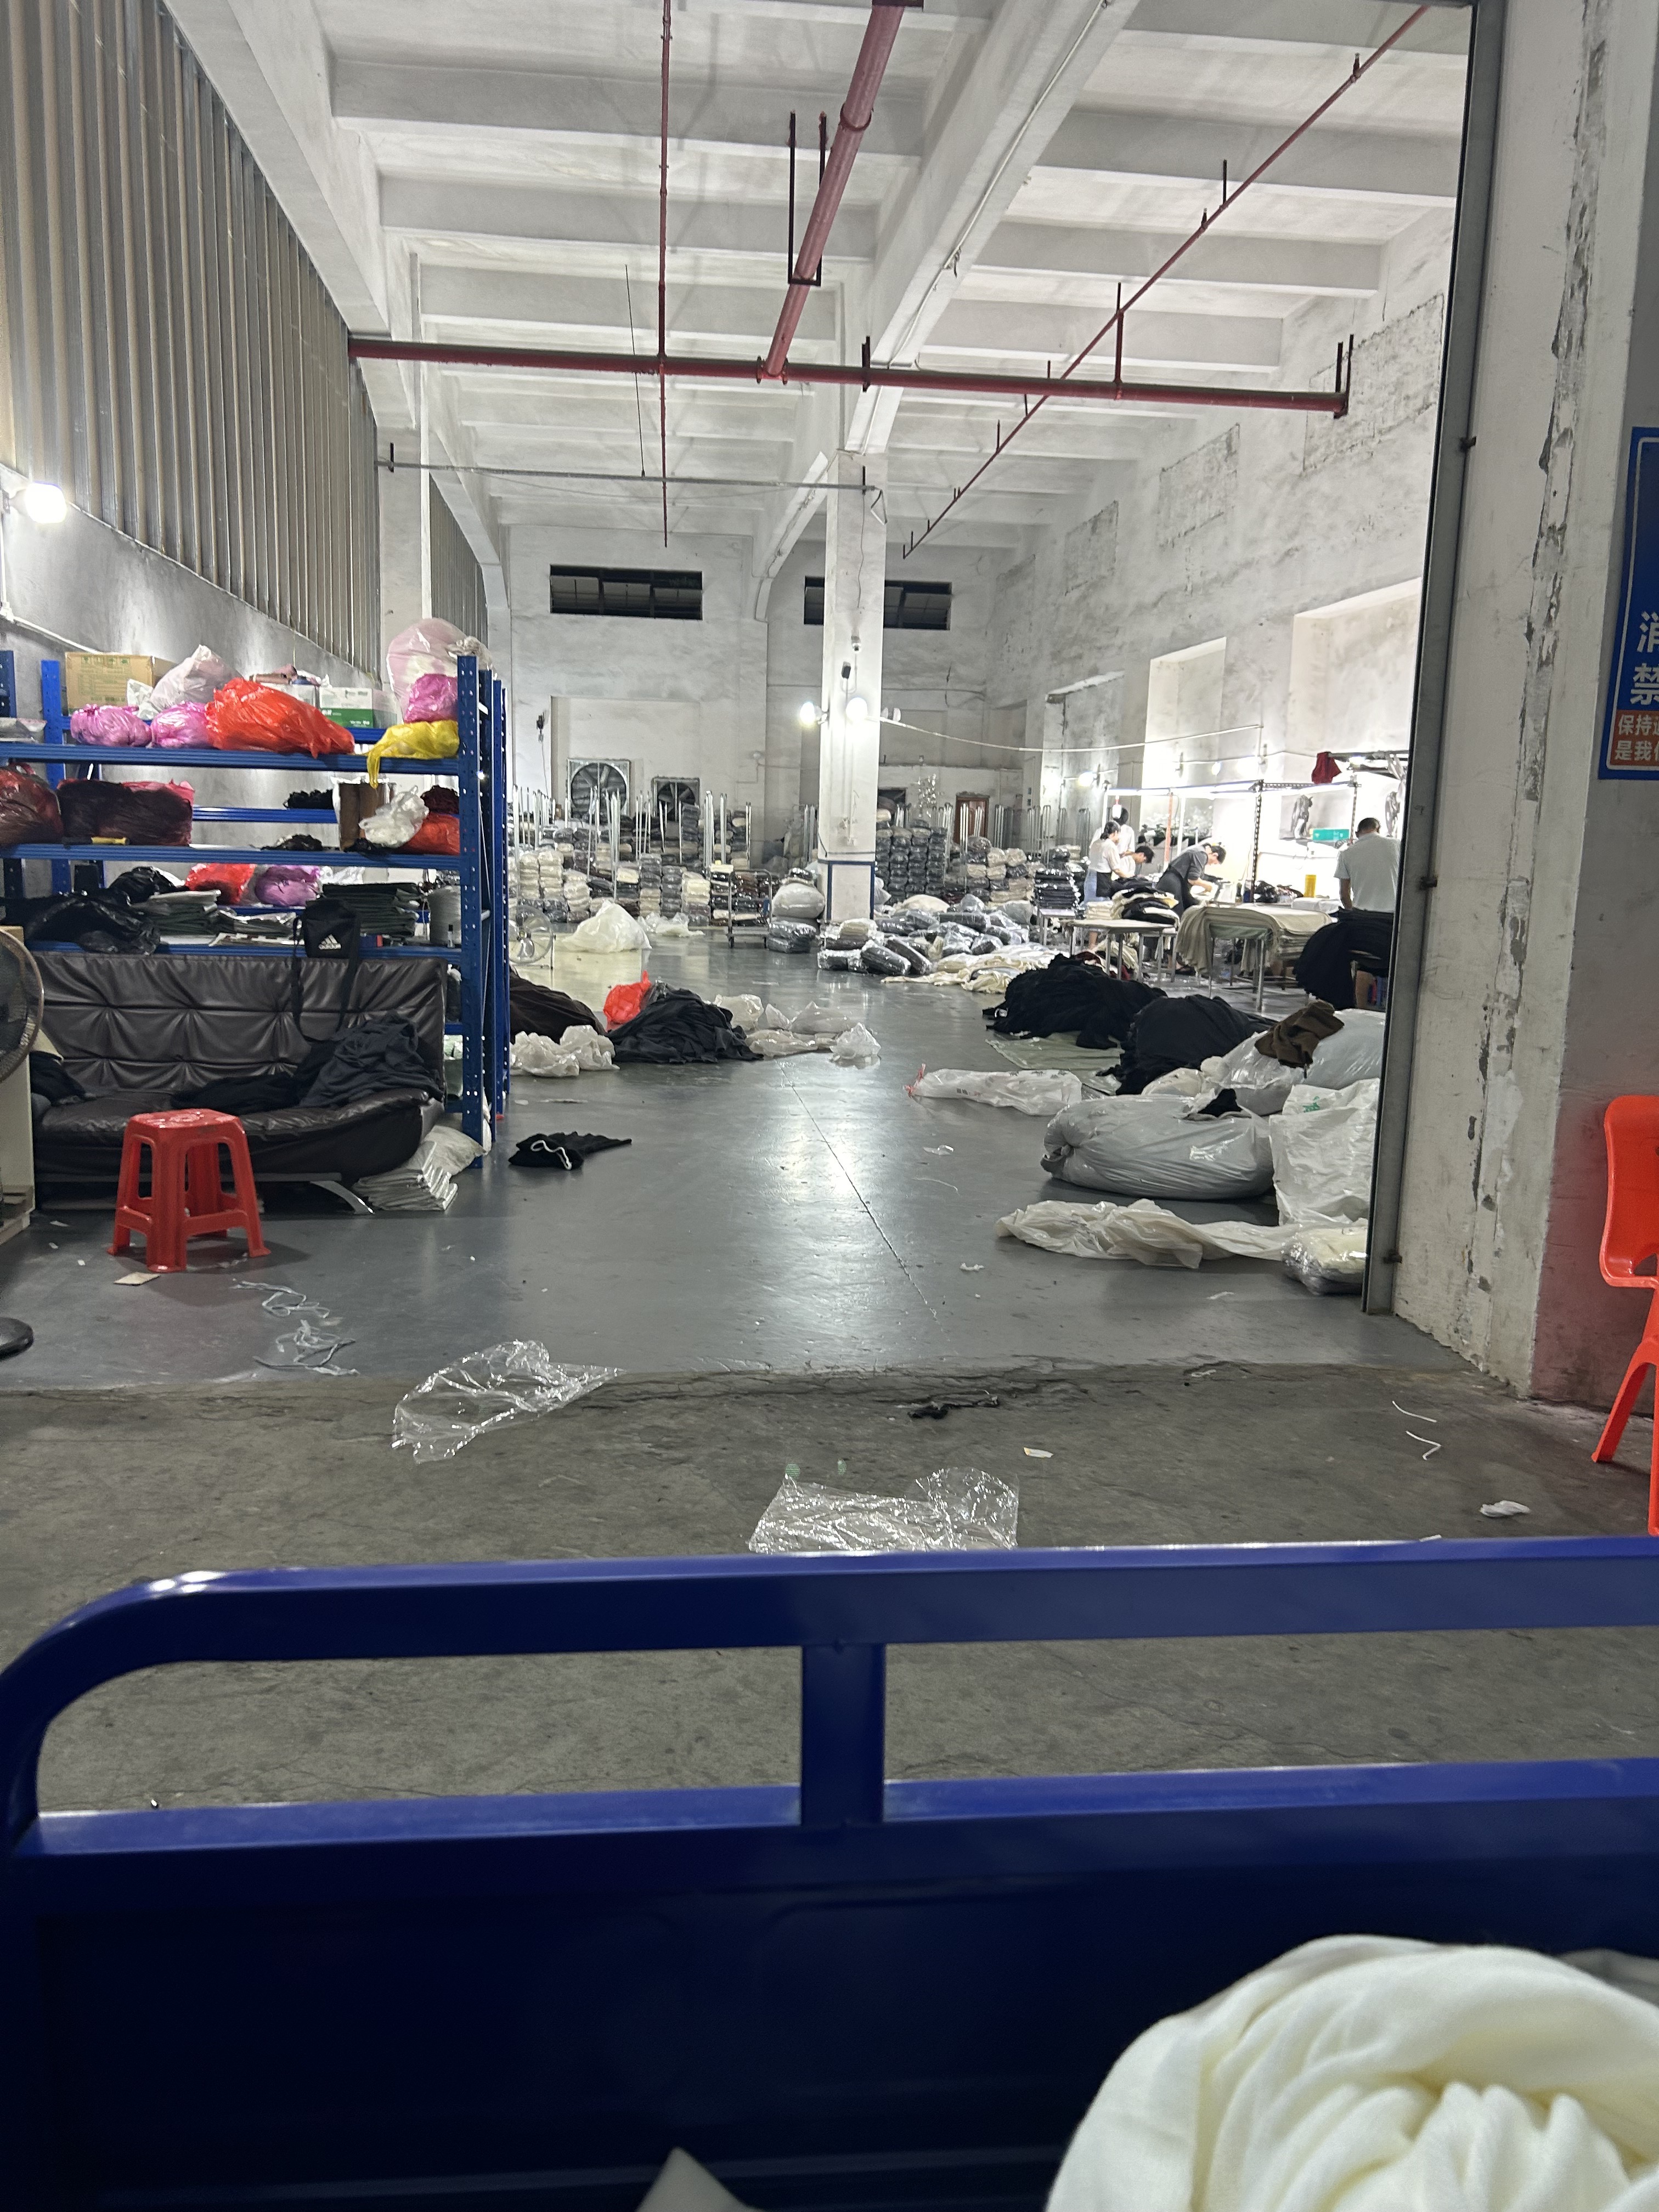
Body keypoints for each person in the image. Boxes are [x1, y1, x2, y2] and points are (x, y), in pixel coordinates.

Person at [1336, 817, 1400, 912]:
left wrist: (1352, 914)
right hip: (1393, 914)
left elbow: (1344, 895)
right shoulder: (1397, 845)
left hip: (1362, 914)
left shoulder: (1346, 854)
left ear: (1357, 834)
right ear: (1378, 829)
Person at [1155, 840, 1225, 912]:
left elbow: (1198, 875)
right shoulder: (1201, 854)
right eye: (1214, 863)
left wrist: (1215, 879)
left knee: (1189, 906)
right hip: (1171, 883)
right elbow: (1193, 879)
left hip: (1172, 881)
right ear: (1215, 855)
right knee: (1177, 912)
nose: (1210, 864)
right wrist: (1209, 886)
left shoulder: (1199, 850)